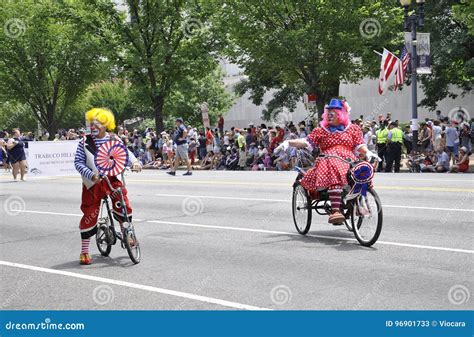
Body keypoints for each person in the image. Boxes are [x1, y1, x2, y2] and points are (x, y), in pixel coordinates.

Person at [280, 98, 378, 224]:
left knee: (363, 169)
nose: (330, 116)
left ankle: (358, 203)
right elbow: (306, 142)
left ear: (341, 114)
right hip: (328, 159)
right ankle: (336, 211)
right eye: (328, 114)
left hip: (349, 159)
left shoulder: (353, 129)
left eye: (333, 114)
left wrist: (368, 152)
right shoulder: (321, 131)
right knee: (335, 165)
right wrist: (289, 142)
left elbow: (359, 145)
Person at [74, 108, 142, 265]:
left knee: (122, 204)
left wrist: (135, 162)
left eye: (97, 123)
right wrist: (91, 174)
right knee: (90, 213)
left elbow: (126, 153)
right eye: (92, 123)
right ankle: (84, 250)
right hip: (93, 183)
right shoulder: (84, 142)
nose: (93, 126)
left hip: (112, 179)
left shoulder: (114, 139)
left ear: (106, 125)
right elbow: (78, 162)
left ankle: (127, 233)